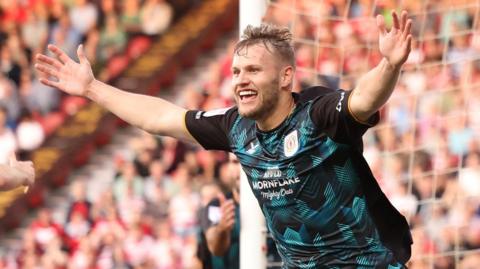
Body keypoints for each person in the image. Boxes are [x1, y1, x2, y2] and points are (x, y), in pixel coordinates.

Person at [35, 10, 413, 268]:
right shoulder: (236, 127)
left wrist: (389, 64)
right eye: (235, 71)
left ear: (285, 77)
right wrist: (92, 88)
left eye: (252, 70)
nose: (239, 79)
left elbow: (364, 100)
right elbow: (161, 117)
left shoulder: (317, 113)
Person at [197, 156, 240, 269]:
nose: (241, 168)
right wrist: (221, 229)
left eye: (246, 161)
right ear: (227, 168)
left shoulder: (273, 205)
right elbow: (215, 248)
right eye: (235, 162)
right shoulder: (216, 205)